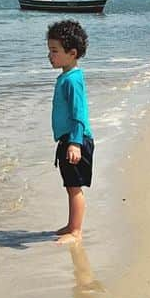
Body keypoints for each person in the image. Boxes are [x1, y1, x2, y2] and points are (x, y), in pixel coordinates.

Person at [46, 19, 94, 243]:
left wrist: (75, 142)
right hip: (69, 139)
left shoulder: (73, 80)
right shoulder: (66, 77)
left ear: (72, 53)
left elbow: (79, 113)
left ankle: (76, 231)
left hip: (77, 139)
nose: (50, 55)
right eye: (49, 50)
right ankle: (71, 224)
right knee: (69, 185)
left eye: (54, 51)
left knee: (75, 187)